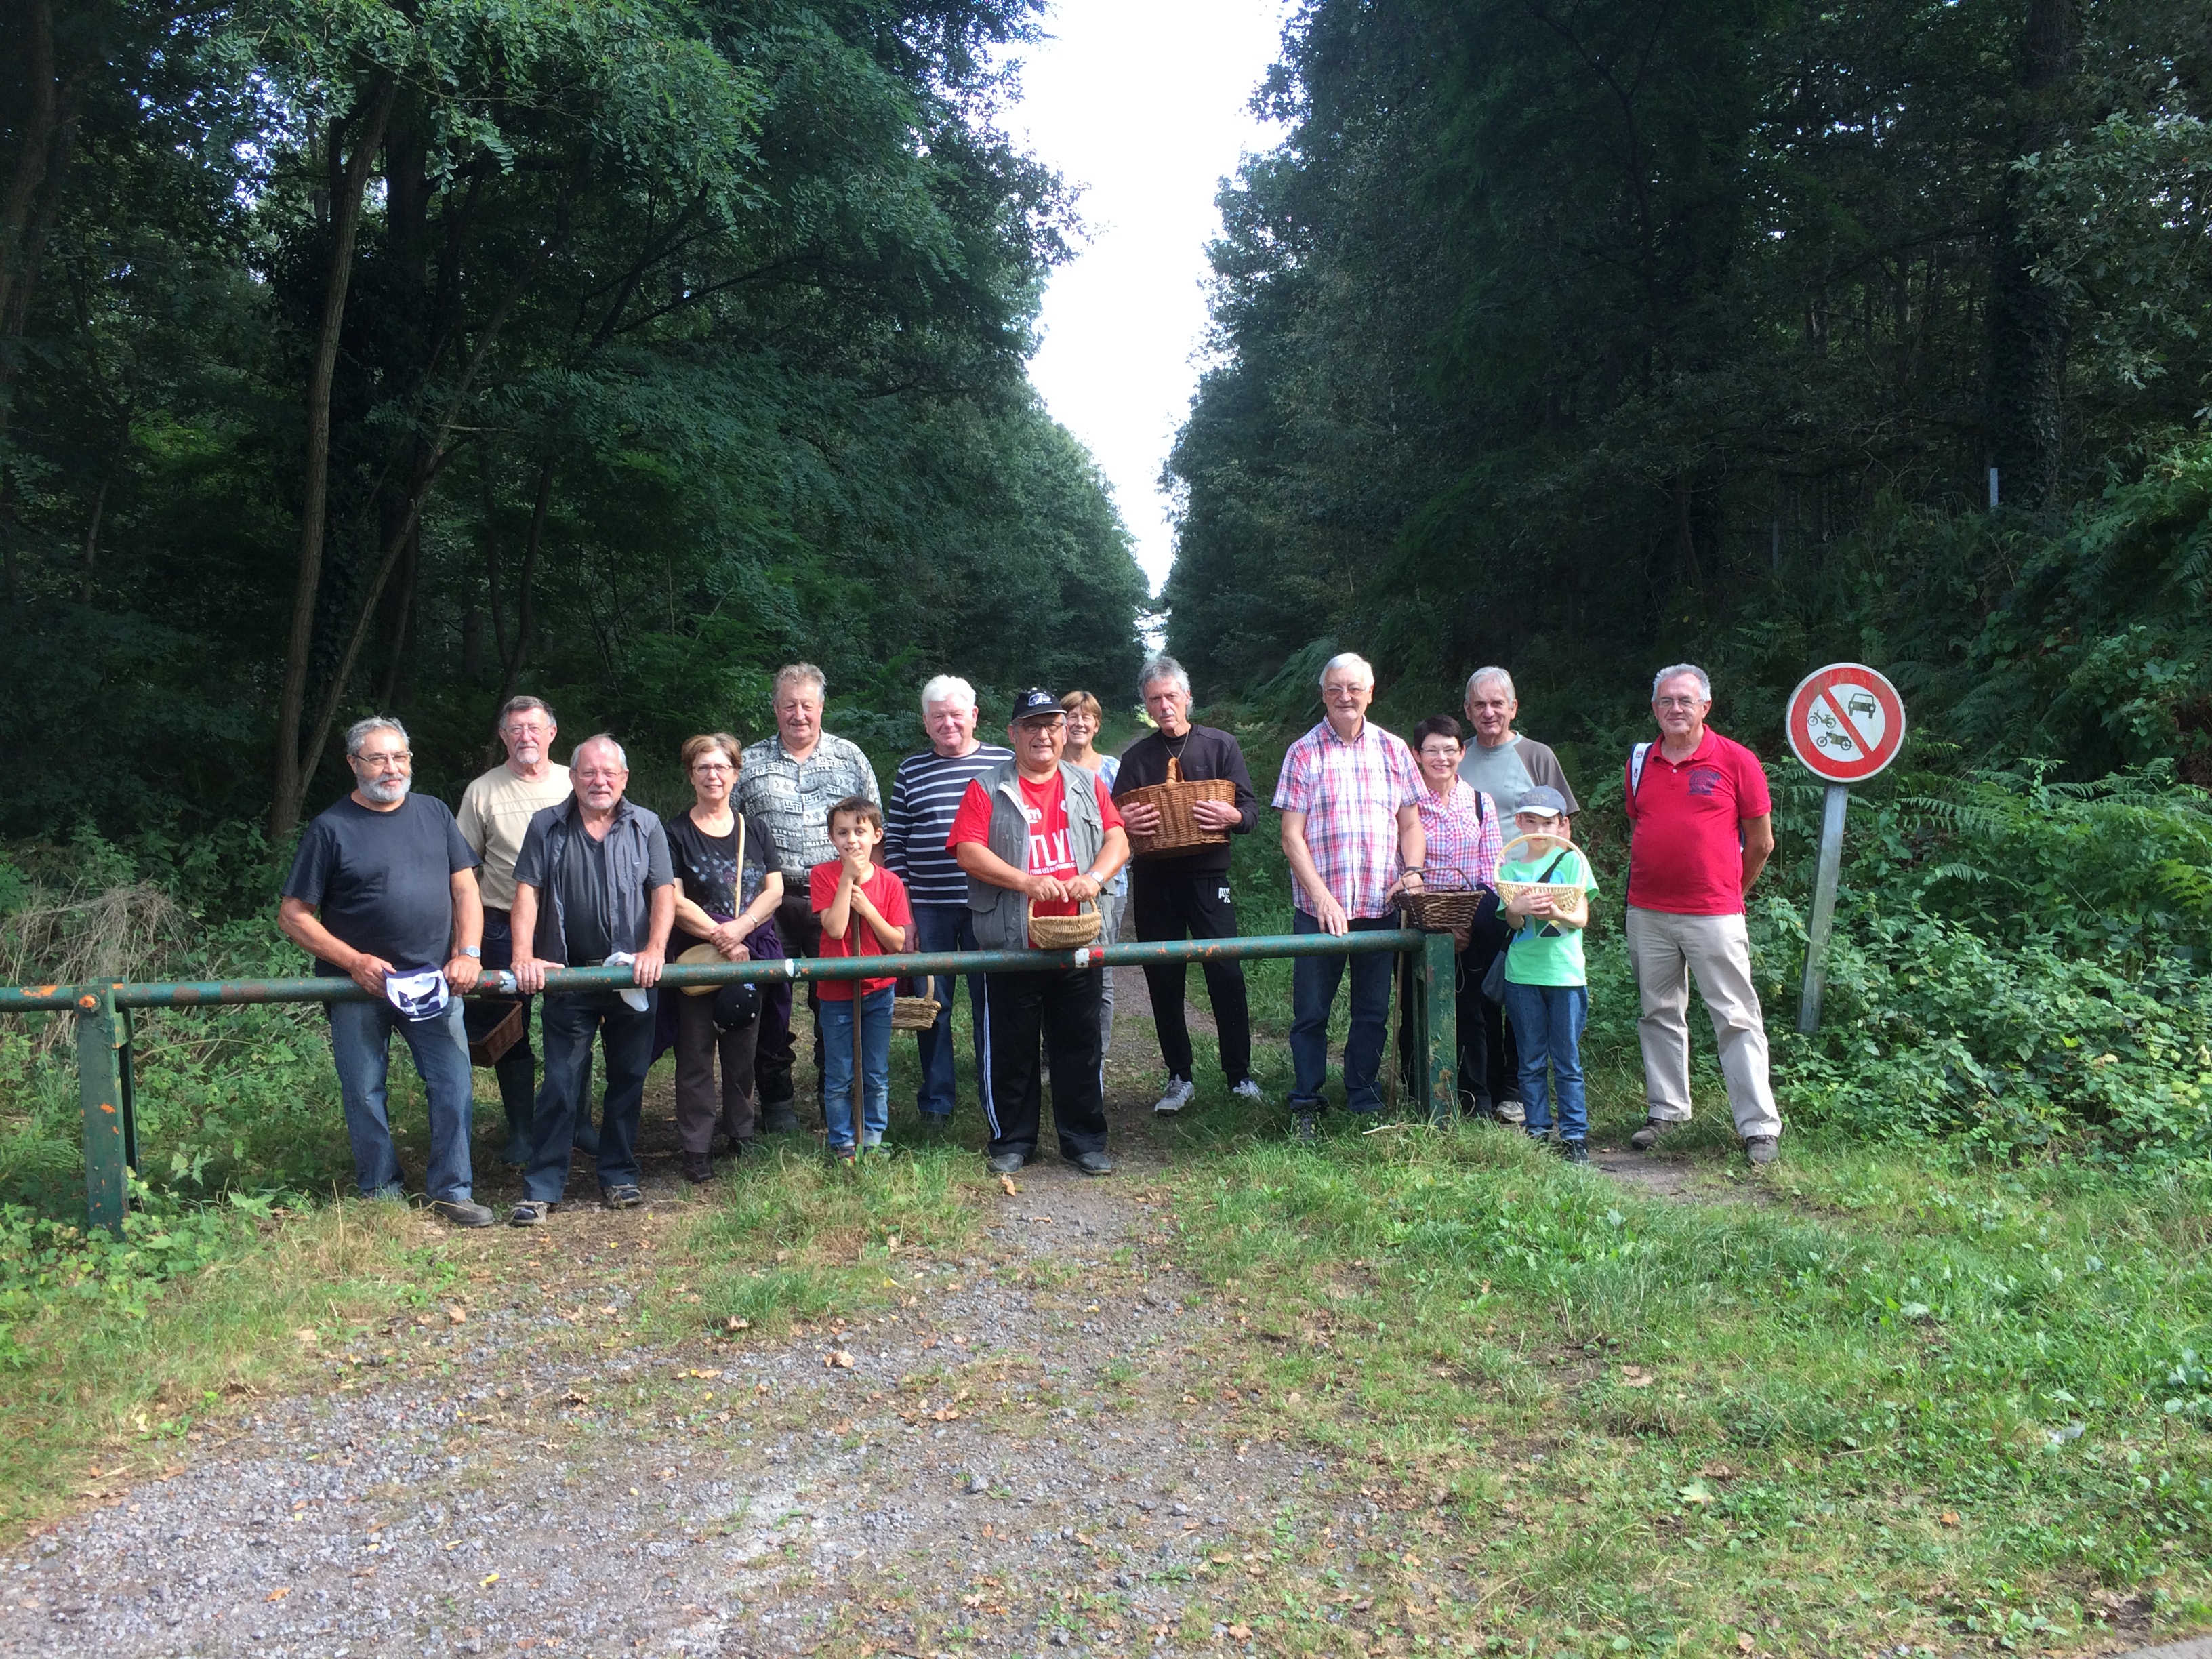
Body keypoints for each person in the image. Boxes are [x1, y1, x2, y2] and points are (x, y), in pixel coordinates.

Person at [277, 716, 492, 1227]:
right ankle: (380, 1191)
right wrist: (353, 962)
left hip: (435, 981)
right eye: (377, 758)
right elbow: (293, 915)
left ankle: (452, 1190)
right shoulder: (331, 828)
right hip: (357, 987)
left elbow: (465, 889)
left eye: (400, 757)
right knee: (364, 1090)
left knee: (453, 1083)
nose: (391, 768)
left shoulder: (435, 813)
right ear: (354, 763)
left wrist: (469, 952)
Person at [948, 688, 1130, 1176]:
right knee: (1012, 1048)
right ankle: (1012, 1141)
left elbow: (1117, 838)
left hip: (1078, 935)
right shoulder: (986, 788)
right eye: (1032, 726)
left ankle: (1084, 1141)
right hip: (1012, 941)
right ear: (1013, 734)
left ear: (1064, 731)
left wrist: (1095, 877)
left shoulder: (1088, 784)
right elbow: (968, 851)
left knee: (1080, 1045)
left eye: (1052, 725)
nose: (1044, 735)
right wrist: (1025, 881)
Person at [508, 735, 676, 1221]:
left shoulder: (647, 825)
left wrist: (655, 950)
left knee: (629, 1078)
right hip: (569, 976)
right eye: (589, 772)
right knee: (561, 1082)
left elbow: (663, 892)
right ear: (573, 777)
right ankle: (542, 1186)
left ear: (624, 779)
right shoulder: (546, 825)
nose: (599, 781)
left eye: (608, 773)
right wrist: (523, 956)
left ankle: (619, 1174)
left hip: (633, 975)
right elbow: (527, 893)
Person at [1622, 664, 1782, 1165]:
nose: (1675, 709)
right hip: (1647, 911)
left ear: (1705, 707)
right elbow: (1642, 823)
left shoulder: (1736, 760)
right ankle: (1667, 1112)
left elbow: (1761, 842)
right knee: (1659, 1013)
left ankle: (1758, 1128)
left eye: (1685, 700)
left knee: (1736, 1017)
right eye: (1666, 701)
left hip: (1714, 914)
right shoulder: (1641, 761)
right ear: (1654, 708)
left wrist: (1731, 892)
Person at [1275, 653, 1426, 1139]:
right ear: (1323, 695)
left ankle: (1363, 1095)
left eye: (1354, 688)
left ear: (1370, 693)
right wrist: (1321, 897)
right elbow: (1291, 836)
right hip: (1319, 911)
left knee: (1372, 1012)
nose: (1345, 697)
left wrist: (1413, 872)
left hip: (1381, 907)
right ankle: (1307, 1100)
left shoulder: (1394, 750)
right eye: (1335, 689)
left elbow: (1411, 824)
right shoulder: (1303, 752)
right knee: (1311, 1012)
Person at [737, 664, 882, 1132]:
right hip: (770, 899)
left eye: (807, 705)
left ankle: (833, 1093)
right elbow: (728, 832)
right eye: (789, 705)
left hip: (837, 897)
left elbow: (876, 831)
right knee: (769, 1000)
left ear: (821, 707)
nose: (798, 714)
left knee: (835, 998)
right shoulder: (749, 763)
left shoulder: (850, 757)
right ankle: (776, 1099)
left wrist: (873, 893)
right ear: (775, 708)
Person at [1115, 656, 1262, 1115]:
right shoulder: (1136, 759)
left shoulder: (1220, 745)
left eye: (1171, 697)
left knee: (1226, 973)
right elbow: (1113, 822)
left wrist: (1233, 816)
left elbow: (1251, 812)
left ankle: (1239, 1075)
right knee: (1163, 977)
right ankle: (1179, 1076)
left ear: (1187, 697)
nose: (1164, 706)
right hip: (1154, 881)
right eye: (1154, 699)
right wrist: (1123, 822)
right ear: (1146, 705)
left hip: (1208, 877)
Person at [881, 676, 1011, 1126]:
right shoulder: (910, 771)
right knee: (932, 1004)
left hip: (989, 907)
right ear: (925, 722)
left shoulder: (1004, 763)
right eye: (938, 716)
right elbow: (895, 843)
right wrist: (904, 913)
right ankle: (937, 1100)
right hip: (928, 908)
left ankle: (995, 1091)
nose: (948, 723)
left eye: (956, 714)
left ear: (974, 716)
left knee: (992, 1004)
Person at [457, 696, 577, 1164]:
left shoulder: (577, 780)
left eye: (534, 727)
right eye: (516, 729)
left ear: (552, 733)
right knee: (509, 1026)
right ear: (503, 737)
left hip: (568, 924)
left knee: (576, 1022)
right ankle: (522, 1131)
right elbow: (463, 871)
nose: (526, 736)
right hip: (501, 925)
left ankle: (578, 1125)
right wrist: (463, 941)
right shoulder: (481, 791)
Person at [1458, 668, 1579, 1125]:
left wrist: (1559, 890)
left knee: (1524, 994)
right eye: (1479, 704)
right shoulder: (1458, 756)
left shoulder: (1537, 756)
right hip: (1479, 898)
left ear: (1513, 707)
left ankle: (1516, 1088)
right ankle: (1485, 1086)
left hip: (1534, 897)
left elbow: (1564, 829)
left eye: (1497, 704)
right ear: (1467, 710)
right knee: (1484, 992)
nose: (1489, 712)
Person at [663, 733, 785, 1183]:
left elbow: (774, 890)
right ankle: (697, 1147)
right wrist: (722, 936)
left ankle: (741, 1132)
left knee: (743, 1045)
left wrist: (742, 929)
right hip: (697, 954)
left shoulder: (756, 829)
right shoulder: (674, 833)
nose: (713, 775)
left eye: (721, 767)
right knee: (695, 1052)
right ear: (690, 775)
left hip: (749, 951)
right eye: (703, 767)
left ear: (736, 774)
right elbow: (673, 899)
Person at [1396, 716, 1505, 1114]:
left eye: (1449, 749)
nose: (1441, 758)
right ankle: (1418, 1093)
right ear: (1416, 754)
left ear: (1462, 752)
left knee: (1472, 1011)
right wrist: (1437, 922)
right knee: (1416, 1009)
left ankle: (1476, 1098)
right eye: (1431, 750)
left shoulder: (1479, 802)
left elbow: (1491, 871)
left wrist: (1465, 923)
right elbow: (1399, 866)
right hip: (1418, 922)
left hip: (1471, 923)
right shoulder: (1404, 805)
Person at [1496, 787, 1597, 1161]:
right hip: (1522, 975)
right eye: (1532, 822)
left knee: (1567, 1058)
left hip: (1565, 976)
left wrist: (1554, 911)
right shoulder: (1509, 870)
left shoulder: (1573, 863)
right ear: (1519, 823)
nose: (1539, 830)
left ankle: (1574, 1135)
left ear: (1562, 824)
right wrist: (1518, 908)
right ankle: (1537, 1129)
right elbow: (1512, 922)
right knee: (1531, 1058)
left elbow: (1580, 918)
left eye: (1548, 822)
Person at [813, 796, 911, 1162]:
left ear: (877, 836)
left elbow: (896, 942)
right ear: (831, 838)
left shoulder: (891, 883)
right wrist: (846, 880)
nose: (851, 840)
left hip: (878, 990)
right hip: (836, 991)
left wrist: (868, 909)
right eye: (842, 833)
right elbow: (836, 929)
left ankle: (872, 1137)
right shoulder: (823, 876)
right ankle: (842, 1142)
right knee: (839, 1072)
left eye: (859, 831)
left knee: (875, 1071)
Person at [1061, 689, 1128, 1055]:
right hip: (1055, 886)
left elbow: (1125, 829)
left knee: (1101, 971)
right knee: (1054, 970)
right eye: (1071, 715)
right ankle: (1055, 1051)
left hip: (1108, 886)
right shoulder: (1043, 767)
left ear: (1097, 725)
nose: (1079, 723)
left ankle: (1095, 1057)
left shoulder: (1113, 769)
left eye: (1086, 716)